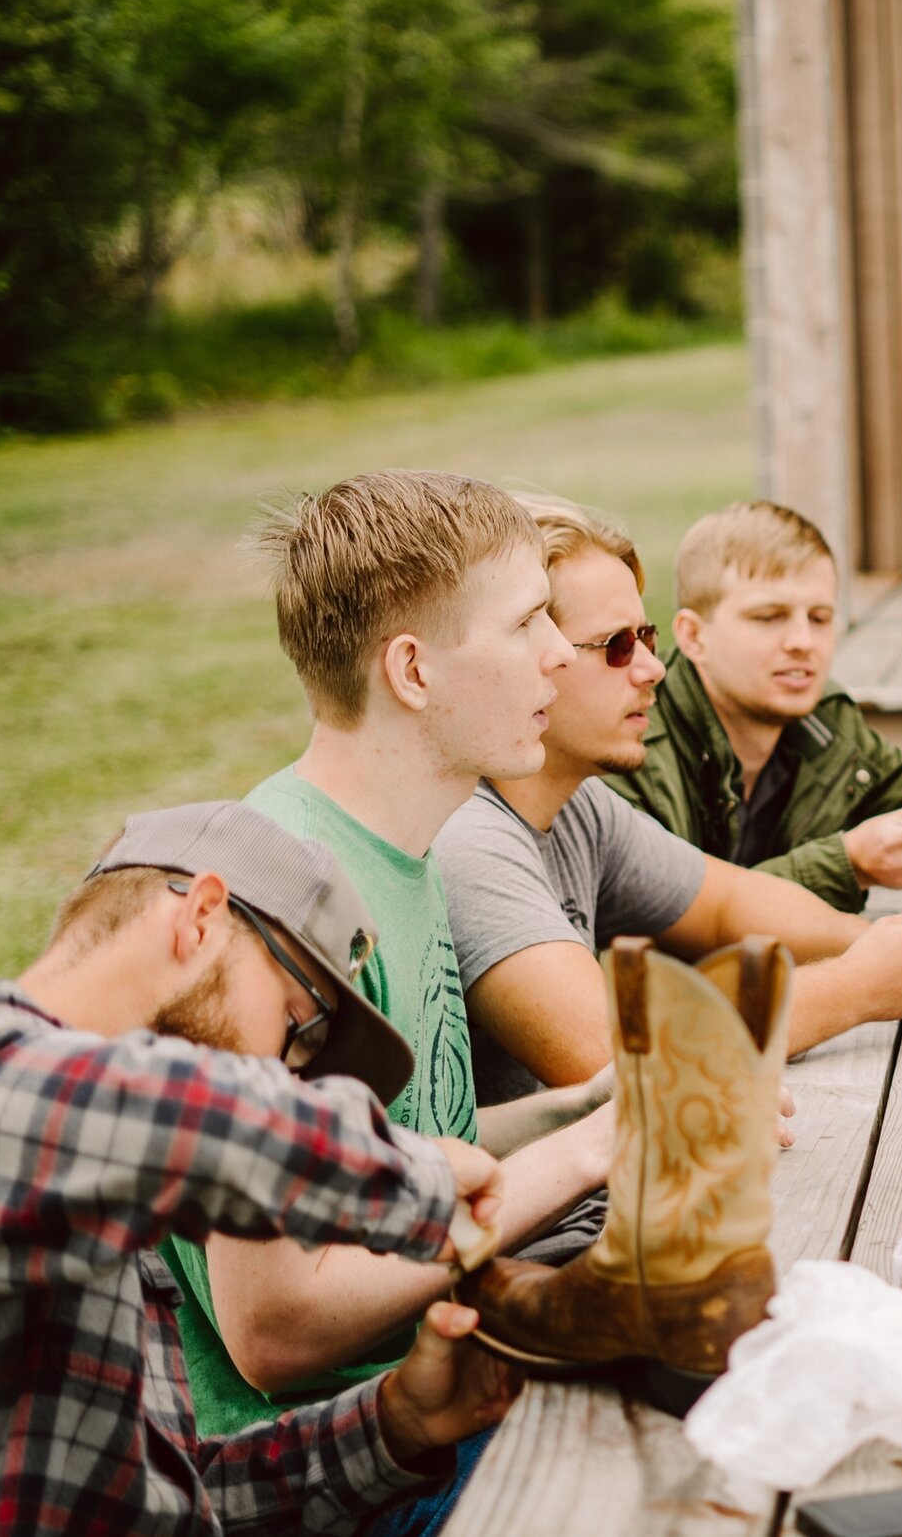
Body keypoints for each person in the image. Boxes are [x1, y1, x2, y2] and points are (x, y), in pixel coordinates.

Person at [0, 803, 521, 1536]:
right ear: (201, 917)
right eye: (295, 1030)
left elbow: (171, 1497)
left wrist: (399, 1421)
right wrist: (416, 1178)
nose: (283, 1073)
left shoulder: (105, 1213)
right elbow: (171, 1109)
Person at [165, 470, 616, 1455]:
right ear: (412, 671)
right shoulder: (285, 913)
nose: (557, 659)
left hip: (417, 1399)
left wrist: (594, 1102)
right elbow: (271, 1327)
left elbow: (400, 1143)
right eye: (530, 623)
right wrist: (581, 1157)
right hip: (300, 1466)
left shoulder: (401, 853)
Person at [440, 495, 902, 1105]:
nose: (654, 668)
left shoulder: (578, 806)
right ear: (535, 655)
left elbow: (729, 904)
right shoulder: (467, 834)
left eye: (646, 636)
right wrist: (860, 984)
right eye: (618, 645)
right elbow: (608, 1058)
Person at [611, 500, 902, 920]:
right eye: (769, 617)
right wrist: (848, 864)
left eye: (820, 618)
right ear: (693, 637)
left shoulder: (826, 727)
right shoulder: (630, 740)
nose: (803, 642)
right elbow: (658, 918)